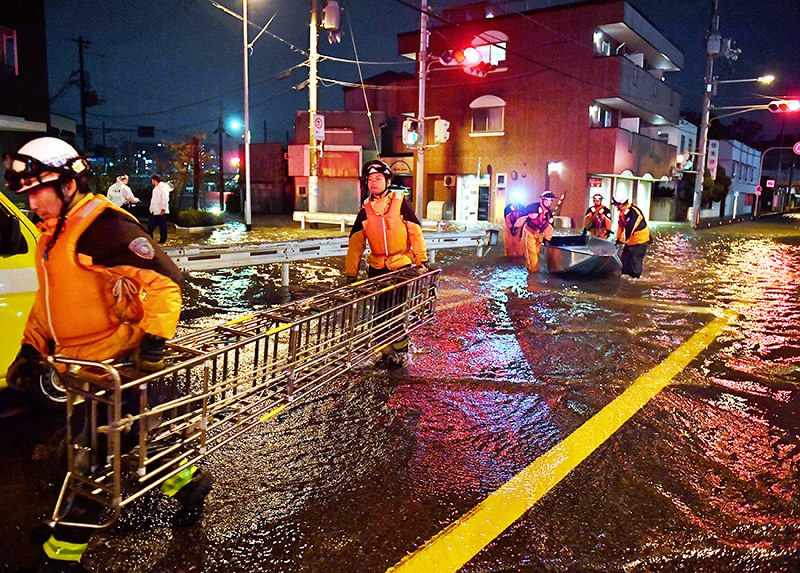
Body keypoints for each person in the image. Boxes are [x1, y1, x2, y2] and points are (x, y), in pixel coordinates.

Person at [3, 137, 211, 571]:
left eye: (38, 192)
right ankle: (191, 485)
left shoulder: (103, 228)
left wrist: (154, 339)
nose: (31, 203)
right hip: (81, 365)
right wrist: (30, 346)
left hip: (113, 362)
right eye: (26, 194)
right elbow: (50, 302)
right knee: (134, 439)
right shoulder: (52, 234)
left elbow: (165, 280)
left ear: (67, 185)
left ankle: (62, 554)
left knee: (94, 460)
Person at [345, 159, 428, 369]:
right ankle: (385, 353)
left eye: (378, 178)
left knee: (397, 311)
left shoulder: (401, 202)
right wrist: (350, 274)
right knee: (379, 314)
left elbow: (415, 233)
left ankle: (402, 353)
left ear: (388, 181)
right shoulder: (365, 209)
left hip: (401, 267)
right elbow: (355, 243)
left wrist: (421, 260)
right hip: (376, 268)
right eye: (370, 179)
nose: (374, 182)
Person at [513, 191, 555, 273]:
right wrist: (516, 227)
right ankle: (534, 276)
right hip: (529, 232)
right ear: (542, 200)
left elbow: (549, 227)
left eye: (550, 200)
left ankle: (530, 272)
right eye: (546, 200)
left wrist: (547, 239)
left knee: (535, 255)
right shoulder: (532, 208)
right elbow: (522, 218)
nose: (548, 202)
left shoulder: (549, 214)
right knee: (533, 258)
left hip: (539, 235)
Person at [612, 196, 651, 278]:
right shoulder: (623, 213)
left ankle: (636, 278)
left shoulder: (633, 212)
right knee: (625, 260)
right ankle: (625, 277)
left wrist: (623, 241)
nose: (616, 207)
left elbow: (630, 228)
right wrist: (618, 239)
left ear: (622, 204)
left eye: (617, 205)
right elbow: (621, 227)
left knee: (635, 261)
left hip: (640, 241)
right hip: (630, 241)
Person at [148, 173, 171, 244]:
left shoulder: (162, 188)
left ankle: (162, 240)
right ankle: (152, 239)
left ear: (154, 180)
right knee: (152, 226)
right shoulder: (157, 188)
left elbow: (165, 199)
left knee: (162, 226)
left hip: (160, 211)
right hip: (155, 211)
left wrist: (163, 209)